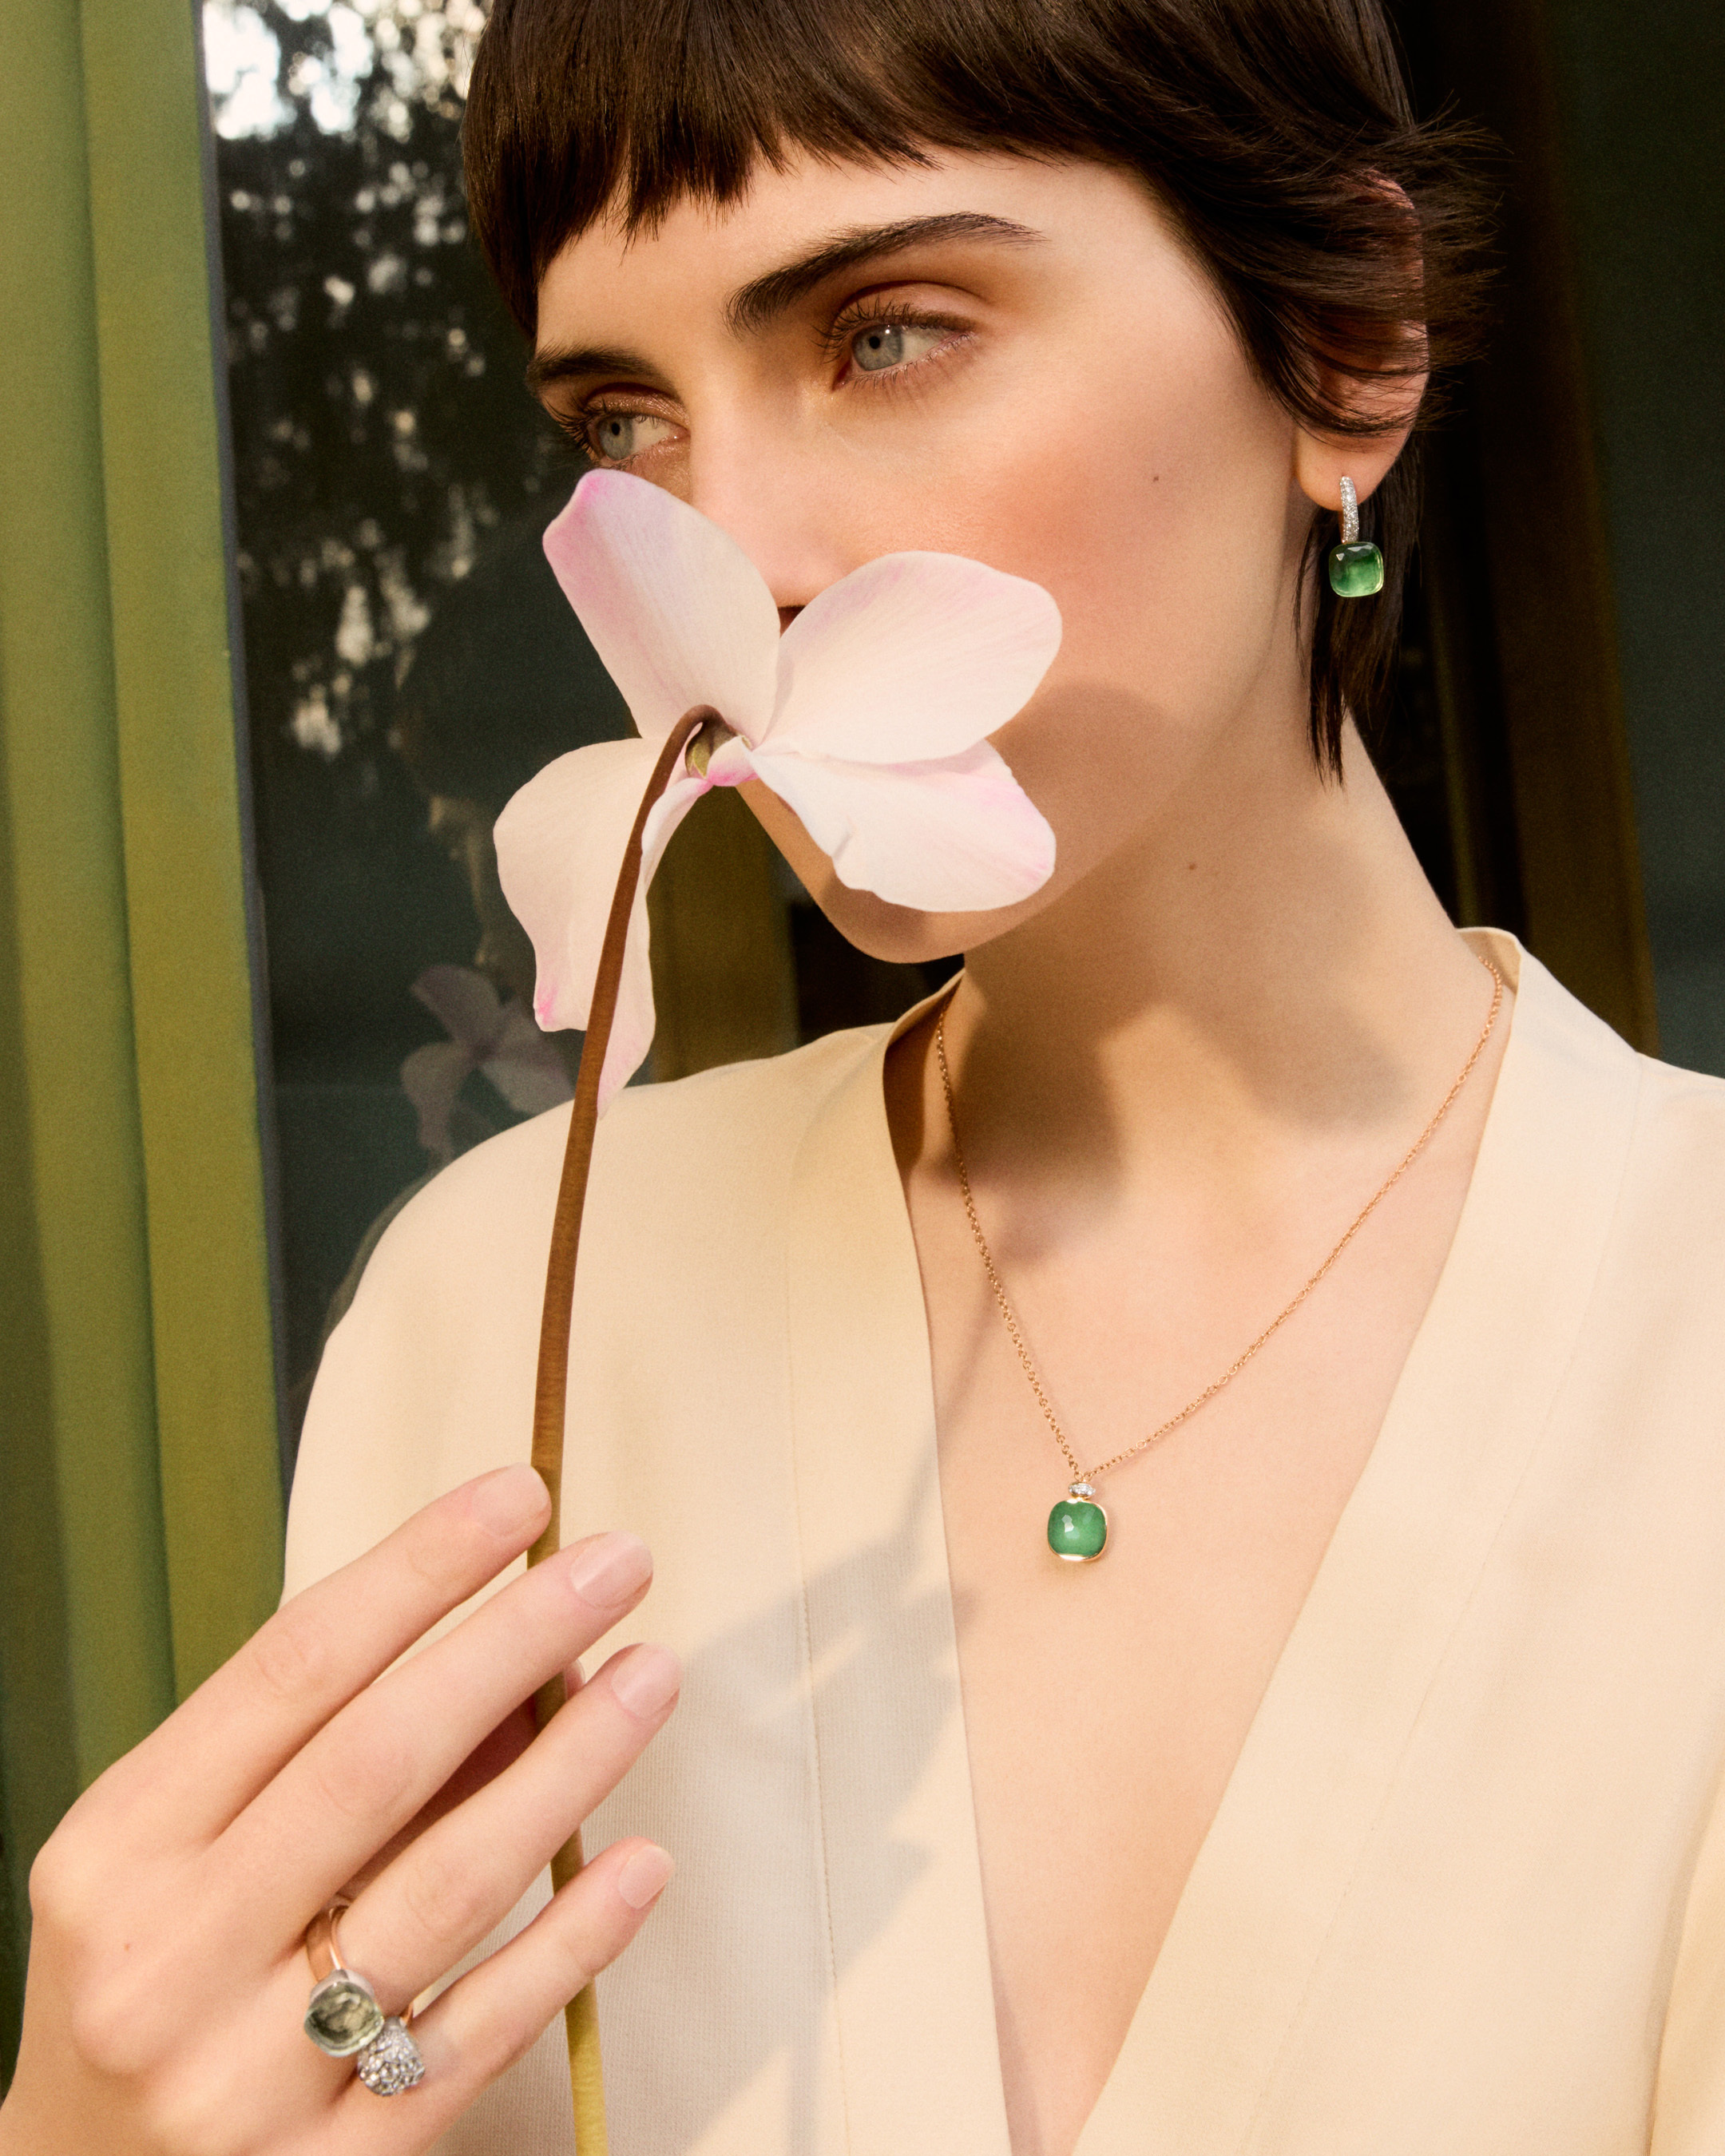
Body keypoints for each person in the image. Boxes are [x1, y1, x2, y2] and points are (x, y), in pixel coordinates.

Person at [6, 1, 1725, 2152]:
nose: (733, 562)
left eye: (886, 336)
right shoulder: (507, 1314)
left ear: (1350, 346)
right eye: (627, 424)